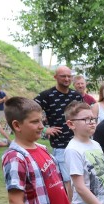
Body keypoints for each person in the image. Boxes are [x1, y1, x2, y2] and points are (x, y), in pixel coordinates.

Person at [34, 66, 83, 197]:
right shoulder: (46, 96)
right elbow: (28, 111)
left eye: (69, 76)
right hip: (61, 147)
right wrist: (44, 129)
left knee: (81, 180)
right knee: (68, 182)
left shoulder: (76, 96)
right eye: (63, 76)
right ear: (55, 77)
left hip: (79, 145)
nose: (67, 79)